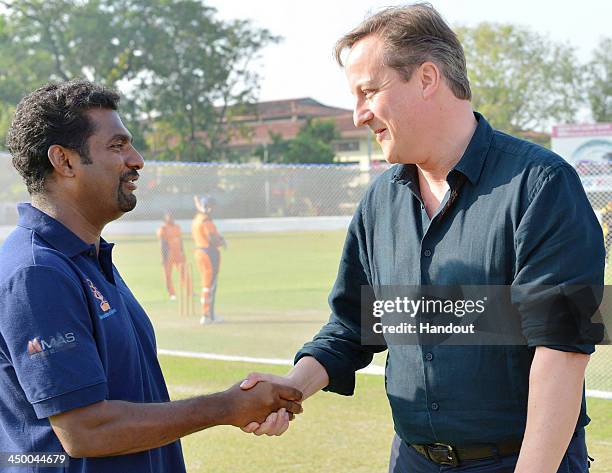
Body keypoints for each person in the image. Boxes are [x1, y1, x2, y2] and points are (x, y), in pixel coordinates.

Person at [238, 4, 604, 473]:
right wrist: (291, 388)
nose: (357, 115)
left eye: (368, 91)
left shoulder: (542, 185)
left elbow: (562, 349)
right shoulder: (379, 202)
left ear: (427, 78)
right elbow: (353, 325)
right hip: (411, 460)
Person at [0, 80, 302, 473]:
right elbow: (86, 431)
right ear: (65, 161)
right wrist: (227, 406)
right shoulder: (37, 272)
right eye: (117, 146)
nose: (137, 159)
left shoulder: (87, 256)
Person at [192, 194, 226, 324]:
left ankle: (208, 315)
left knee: (207, 285)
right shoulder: (206, 220)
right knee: (210, 285)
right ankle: (207, 315)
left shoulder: (197, 219)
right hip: (209, 253)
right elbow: (212, 238)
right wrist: (221, 242)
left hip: (200, 251)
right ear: (209, 207)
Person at [156, 212, 186, 300]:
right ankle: (172, 293)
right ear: (165, 219)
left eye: (172, 217)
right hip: (168, 254)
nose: (171, 219)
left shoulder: (177, 227)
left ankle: (188, 291)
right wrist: (163, 257)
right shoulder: (163, 229)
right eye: (169, 217)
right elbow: (162, 244)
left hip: (178, 254)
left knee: (184, 272)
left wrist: (182, 252)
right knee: (168, 275)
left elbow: (180, 241)